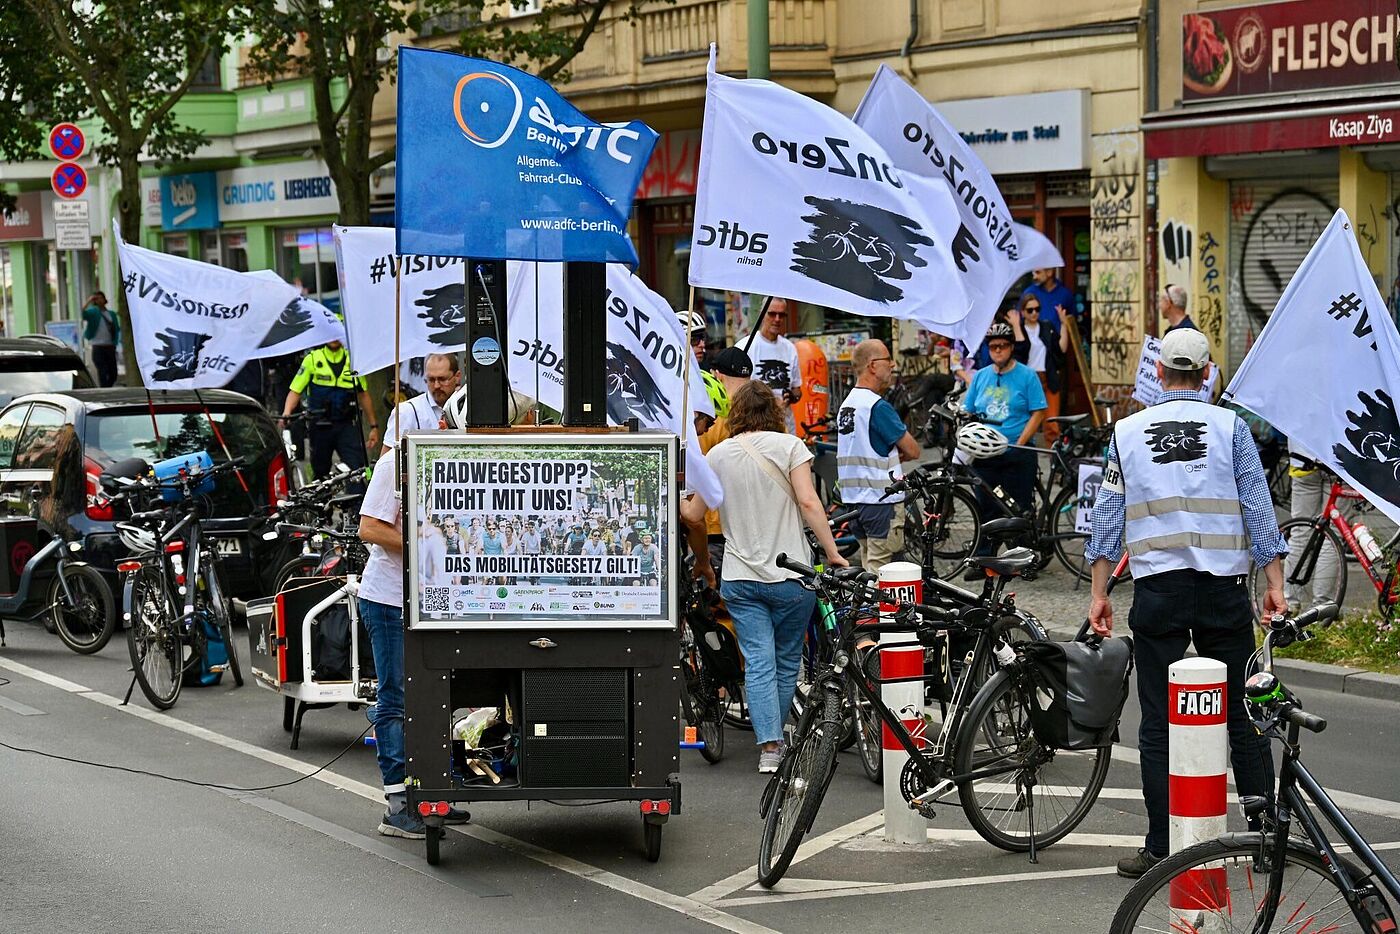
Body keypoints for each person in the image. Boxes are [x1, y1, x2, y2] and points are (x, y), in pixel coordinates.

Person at [1084, 327, 1288, 879]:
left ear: (1157, 373)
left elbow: (1107, 519)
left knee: (1157, 720)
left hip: (1158, 592)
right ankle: (1264, 833)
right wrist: (1275, 583)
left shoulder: (1126, 433)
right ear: (1206, 374)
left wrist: (1099, 592)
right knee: (1244, 714)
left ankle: (1160, 844)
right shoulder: (1231, 428)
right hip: (1222, 591)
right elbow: (1257, 509)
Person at [681, 381, 848, 773]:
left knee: (758, 660)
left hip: (740, 577)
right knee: (788, 661)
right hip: (792, 578)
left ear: (735, 414)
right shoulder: (790, 447)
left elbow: (692, 515)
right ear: (774, 414)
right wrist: (832, 551)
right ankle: (779, 737)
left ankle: (769, 748)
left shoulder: (718, 453)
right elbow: (809, 501)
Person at [357, 448, 468, 838]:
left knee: (434, 695)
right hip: (389, 601)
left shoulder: (455, 462)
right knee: (395, 699)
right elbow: (369, 528)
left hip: (431, 604)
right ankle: (398, 807)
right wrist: (425, 547)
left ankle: (431, 793)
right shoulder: (394, 464)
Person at [962, 321, 1046, 573]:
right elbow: (969, 410)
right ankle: (985, 559)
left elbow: (1039, 412)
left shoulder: (1027, 376)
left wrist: (1020, 444)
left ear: (1011, 348)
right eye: (993, 347)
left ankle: (1023, 559)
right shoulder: (981, 377)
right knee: (985, 507)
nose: (997, 351)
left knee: (1018, 507)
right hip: (985, 454)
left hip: (1016, 453)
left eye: (1002, 346)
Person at [836, 339, 920, 572]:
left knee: (869, 565)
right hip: (881, 501)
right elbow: (914, 450)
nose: (892, 365)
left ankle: (866, 608)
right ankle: (875, 610)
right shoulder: (877, 406)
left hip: (854, 502)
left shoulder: (847, 405)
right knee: (883, 574)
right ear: (873, 365)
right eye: (887, 360)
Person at [281, 339, 378, 481]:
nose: (334, 339)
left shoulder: (353, 360)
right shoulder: (312, 359)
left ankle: (358, 502)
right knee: (320, 472)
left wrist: (374, 426)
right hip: (320, 426)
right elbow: (295, 391)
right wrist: (287, 412)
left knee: (357, 469)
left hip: (347, 426)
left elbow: (363, 394)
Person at [1011, 293, 1071, 445]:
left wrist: (1064, 324)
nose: (1034, 313)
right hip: (1027, 379)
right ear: (1023, 312)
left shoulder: (1046, 327)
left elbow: (1061, 349)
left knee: (1052, 423)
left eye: (1037, 309)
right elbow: (1020, 351)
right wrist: (1016, 326)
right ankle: (1024, 455)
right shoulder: (1019, 329)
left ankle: (1054, 461)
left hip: (1047, 377)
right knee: (1024, 421)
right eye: (1030, 310)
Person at [381, 353, 461, 454]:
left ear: (457, 376)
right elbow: (385, 465)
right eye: (431, 380)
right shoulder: (406, 412)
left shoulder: (467, 408)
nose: (436, 385)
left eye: (442, 379)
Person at [744, 298, 802, 432]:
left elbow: (797, 389)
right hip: (755, 427)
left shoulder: (790, 348)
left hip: (785, 426)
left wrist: (792, 397)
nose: (777, 319)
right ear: (762, 314)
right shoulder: (746, 346)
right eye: (772, 314)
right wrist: (770, 402)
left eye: (782, 315)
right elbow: (736, 391)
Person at [81, 291, 120, 387]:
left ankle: (108, 387)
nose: (99, 300)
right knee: (102, 370)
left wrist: (115, 342)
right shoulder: (93, 312)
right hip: (98, 346)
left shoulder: (111, 314)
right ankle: (105, 389)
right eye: (96, 298)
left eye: (100, 298)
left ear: (104, 299)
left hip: (109, 346)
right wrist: (88, 301)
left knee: (113, 373)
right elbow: (83, 314)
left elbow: (116, 328)